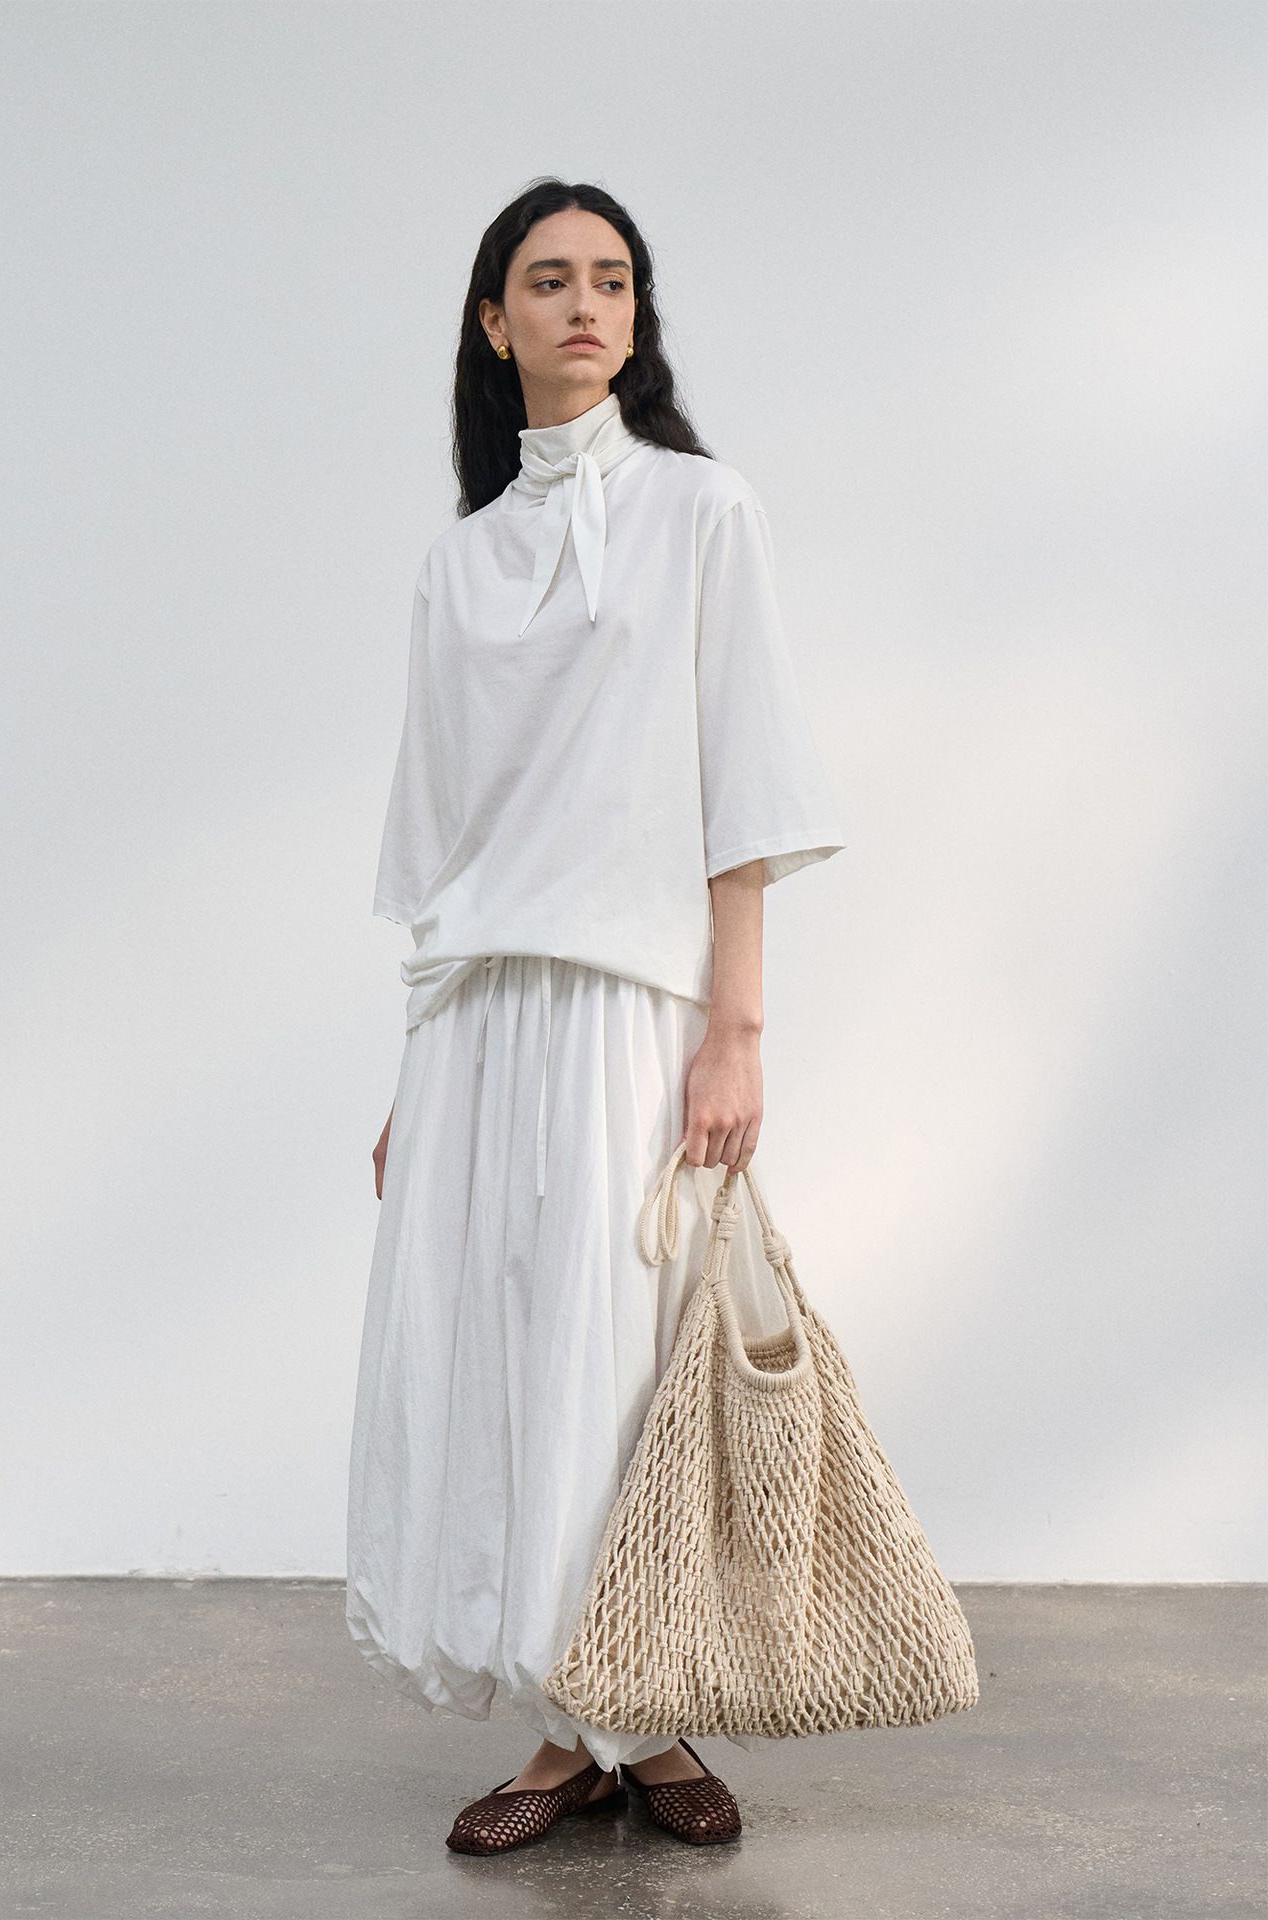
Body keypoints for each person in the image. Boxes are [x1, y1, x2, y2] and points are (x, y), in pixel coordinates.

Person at [344, 178, 846, 1855]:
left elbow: (743, 783)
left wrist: (737, 1030)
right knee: (508, 1360)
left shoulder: (705, 512)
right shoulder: (458, 562)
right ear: (494, 322)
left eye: (612, 280)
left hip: (638, 1012)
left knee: (622, 1361)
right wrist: (412, 1074)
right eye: (549, 281)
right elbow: (445, 841)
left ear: (638, 317)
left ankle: (642, 1715)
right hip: (480, 1022)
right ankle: (576, 1726)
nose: (584, 305)